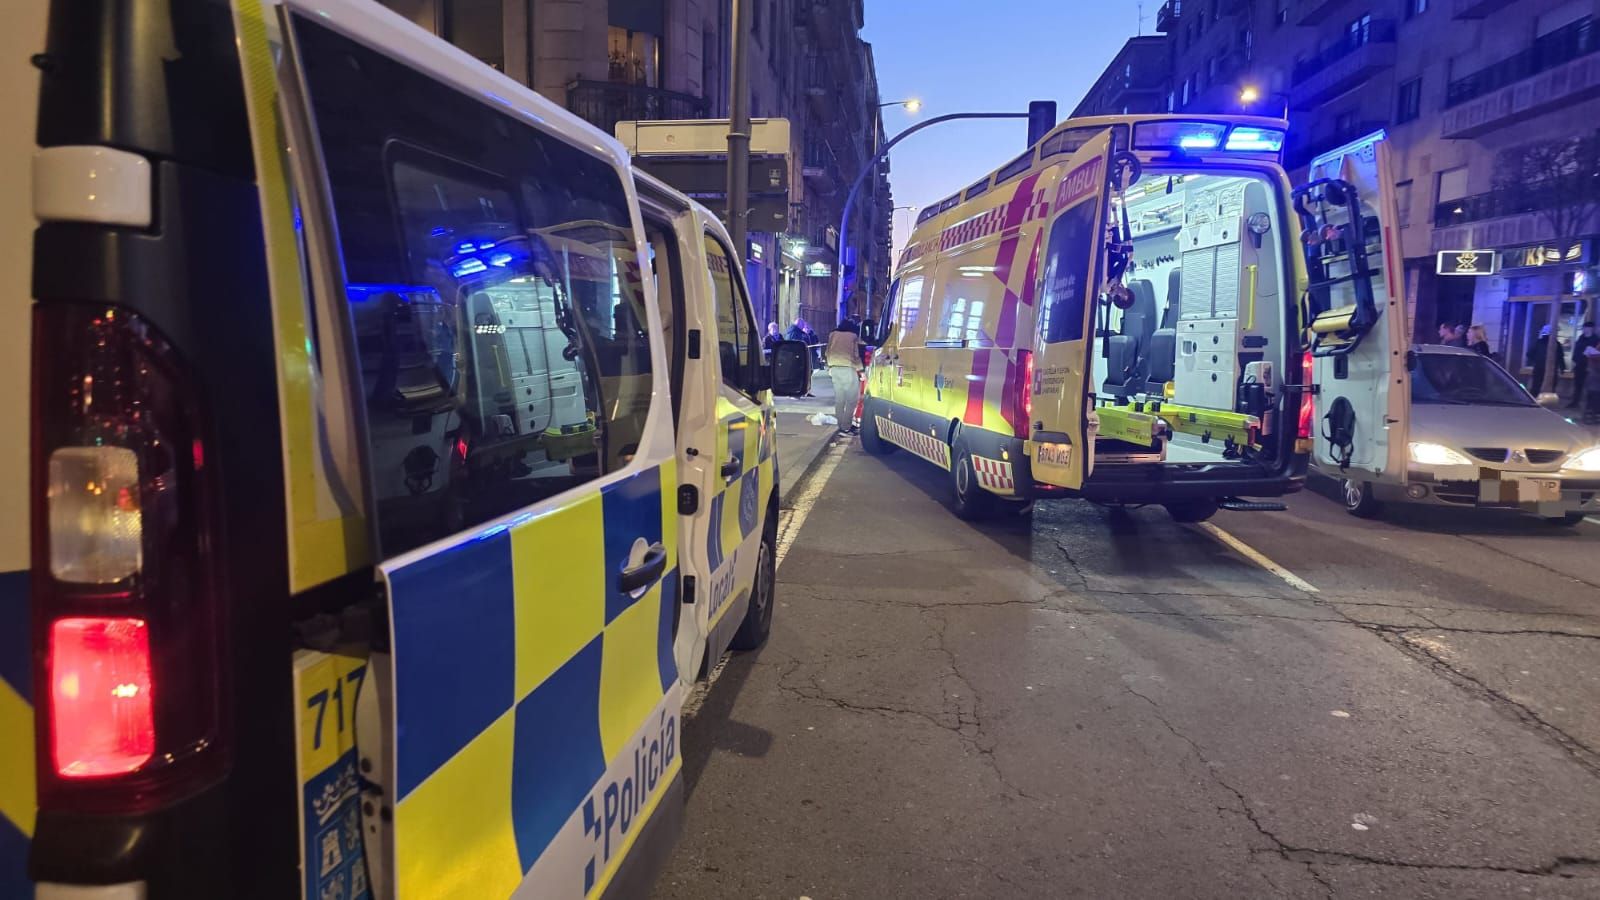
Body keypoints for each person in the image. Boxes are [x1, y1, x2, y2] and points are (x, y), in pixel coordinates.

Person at [825, 319, 865, 435]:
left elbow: (827, 351)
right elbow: (855, 355)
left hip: (834, 368)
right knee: (852, 399)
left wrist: (829, 366)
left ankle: (840, 425)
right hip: (848, 368)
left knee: (840, 398)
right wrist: (860, 370)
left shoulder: (832, 334)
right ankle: (846, 426)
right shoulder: (853, 336)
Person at [1527, 324, 1566, 397]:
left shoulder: (1539, 342)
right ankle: (1546, 401)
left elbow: (1529, 354)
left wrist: (1536, 361)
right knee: (1549, 387)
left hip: (1540, 368)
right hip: (1550, 369)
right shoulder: (1556, 344)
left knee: (1536, 386)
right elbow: (1560, 357)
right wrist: (1562, 368)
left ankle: (1534, 400)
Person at [1572, 321, 1598, 409]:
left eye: (1587, 328)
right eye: (1584, 328)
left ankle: (1589, 405)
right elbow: (1576, 350)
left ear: (1591, 329)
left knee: (1590, 386)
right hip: (1579, 364)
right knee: (1577, 385)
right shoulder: (1581, 338)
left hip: (1590, 366)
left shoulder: (1595, 339)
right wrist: (1575, 359)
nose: (1585, 330)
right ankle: (1575, 402)